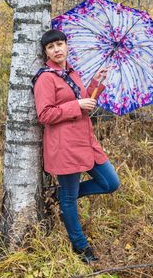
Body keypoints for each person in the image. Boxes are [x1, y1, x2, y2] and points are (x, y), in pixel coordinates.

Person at [33, 29, 120, 264]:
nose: (57, 49)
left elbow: (84, 99)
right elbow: (45, 114)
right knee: (70, 199)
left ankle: (62, 196)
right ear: (46, 52)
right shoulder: (45, 78)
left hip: (86, 141)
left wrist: (96, 83)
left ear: (66, 46)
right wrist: (77, 104)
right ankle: (81, 247)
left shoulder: (71, 72)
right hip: (65, 145)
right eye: (51, 47)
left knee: (111, 183)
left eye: (60, 44)